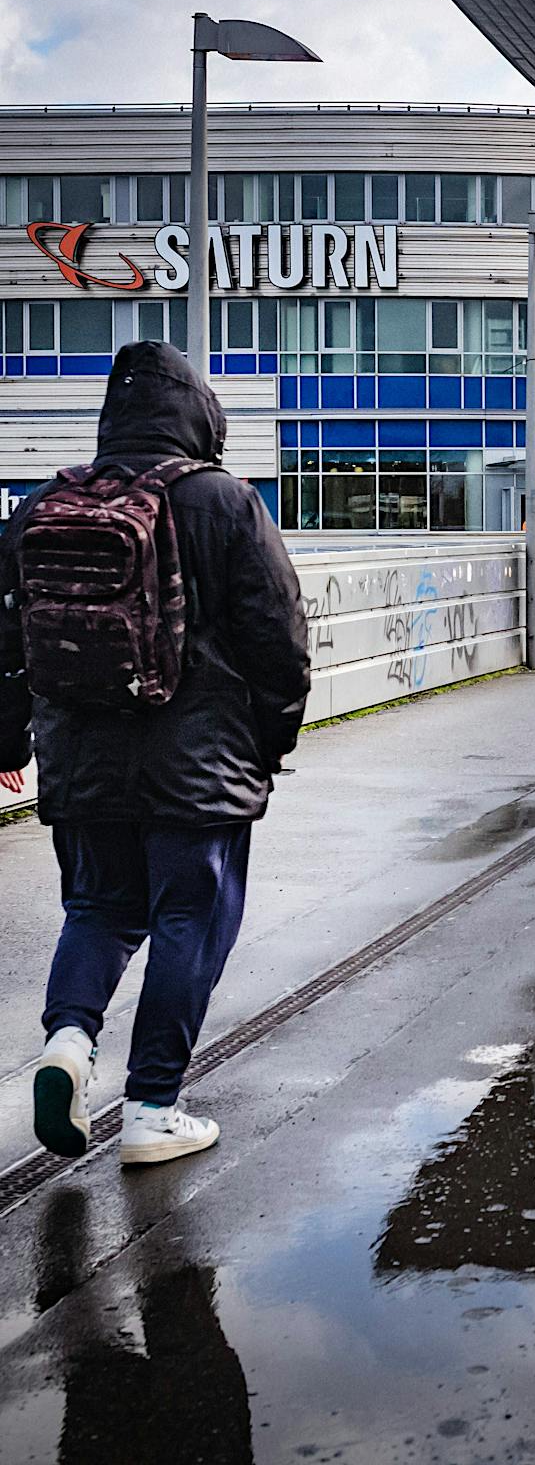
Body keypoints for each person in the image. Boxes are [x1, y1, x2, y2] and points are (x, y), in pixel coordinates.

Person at [0, 342, 309, 1168]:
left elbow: (5, 640)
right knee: (188, 919)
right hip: (196, 761)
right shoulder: (222, 501)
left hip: (80, 760)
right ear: (199, 415)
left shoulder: (39, 507)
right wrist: (270, 740)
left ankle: (67, 1042)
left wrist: (7, 742)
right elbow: (277, 636)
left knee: (98, 909)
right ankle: (152, 1109)